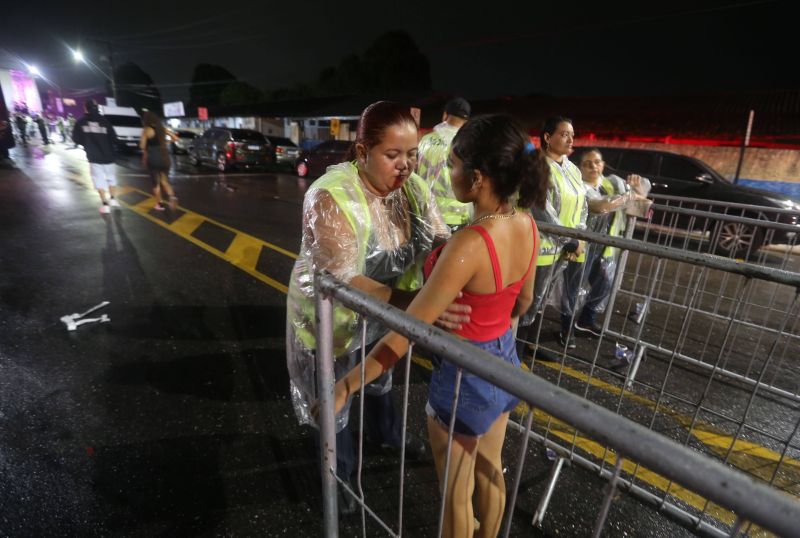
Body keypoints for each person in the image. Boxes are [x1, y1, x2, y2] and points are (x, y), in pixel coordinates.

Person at [329, 114, 549, 537]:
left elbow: (406, 330)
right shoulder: (527, 223)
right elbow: (524, 301)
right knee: (491, 473)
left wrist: (346, 386)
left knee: (455, 497)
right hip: (503, 362)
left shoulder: (470, 245)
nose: (448, 173)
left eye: (452, 165)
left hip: (465, 375)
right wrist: (488, 317)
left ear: (478, 177)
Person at [286, 101, 454, 513]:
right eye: (392, 155)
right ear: (362, 153)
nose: (406, 166)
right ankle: (338, 475)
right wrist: (421, 305)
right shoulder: (329, 196)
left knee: (380, 380)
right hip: (333, 325)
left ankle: (388, 434)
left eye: (412, 154)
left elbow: (440, 238)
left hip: (383, 319)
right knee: (336, 400)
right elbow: (344, 280)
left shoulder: (411, 190)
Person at [516, 116, 587, 358]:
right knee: (528, 302)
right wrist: (568, 239)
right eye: (565, 134)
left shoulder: (572, 169)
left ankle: (530, 347)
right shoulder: (536, 166)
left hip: (564, 248)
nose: (571, 139)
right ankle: (513, 354)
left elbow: (582, 205)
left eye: (573, 135)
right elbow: (541, 209)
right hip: (541, 248)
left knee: (542, 300)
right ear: (547, 137)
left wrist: (579, 234)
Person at [571, 148, 651, 336]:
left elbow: (641, 203)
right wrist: (628, 196)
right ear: (580, 167)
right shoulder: (579, 186)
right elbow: (600, 206)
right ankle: (567, 326)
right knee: (574, 285)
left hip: (606, 247)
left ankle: (585, 320)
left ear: (603, 165)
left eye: (597, 162)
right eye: (587, 163)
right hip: (584, 243)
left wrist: (636, 188)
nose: (593, 166)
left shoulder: (612, 183)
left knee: (605, 282)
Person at [417, 97, 473, 232]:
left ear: (445, 114)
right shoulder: (466, 143)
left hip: (427, 214)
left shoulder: (425, 140)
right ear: (466, 120)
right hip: (457, 217)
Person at [71, 99, 120, 215]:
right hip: (109, 157)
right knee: (111, 179)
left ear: (86, 108)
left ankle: (105, 205)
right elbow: (114, 139)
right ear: (97, 108)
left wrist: (87, 142)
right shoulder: (105, 122)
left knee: (99, 181)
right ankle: (113, 199)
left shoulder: (81, 122)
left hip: (94, 158)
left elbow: (76, 139)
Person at [140, 110, 178, 211]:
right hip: (165, 157)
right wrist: (166, 142)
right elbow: (175, 138)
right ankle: (172, 197)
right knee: (165, 181)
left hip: (153, 158)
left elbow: (142, 146)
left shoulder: (147, 130)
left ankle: (160, 204)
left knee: (155, 183)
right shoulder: (162, 128)